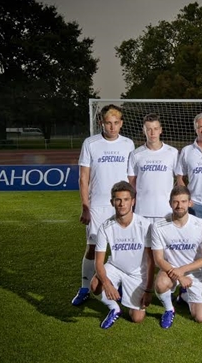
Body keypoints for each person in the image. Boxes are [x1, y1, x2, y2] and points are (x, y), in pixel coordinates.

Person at [72, 104, 135, 306]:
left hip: (122, 206)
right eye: (108, 123)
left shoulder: (128, 144)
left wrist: (132, 204)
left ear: (121, 123)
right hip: (98, 206)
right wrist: (85, 206)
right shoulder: (90, 143)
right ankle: (84, 288)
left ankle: (123, 286)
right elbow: (84, 178)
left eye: (116, 123)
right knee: (92, 247)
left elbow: (131, 178)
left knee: (123, 248)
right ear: (101, 123)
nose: (112, 127)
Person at [90, 181, 154, 329]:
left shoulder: (145, 225)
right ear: (112, 202)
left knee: (137, 318)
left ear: (133, 201)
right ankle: (114, 308)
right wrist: (106, 284)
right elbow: (98, 262)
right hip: (115, 267)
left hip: (138, 272)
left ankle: (122, 291)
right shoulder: (105, 227)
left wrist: (148, 290)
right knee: (95, 284)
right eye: (118, 200)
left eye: (126, 199)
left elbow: (151, 261)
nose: (122, 204)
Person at [151, 186, 202, 329]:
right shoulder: (158, 226)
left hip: (195, 273)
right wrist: (179, 276)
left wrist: (183, 271)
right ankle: (169, 309)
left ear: (190, 203)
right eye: (176, 202)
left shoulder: (201, 225)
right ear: (170, 203)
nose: (179, 205)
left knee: (200, 318)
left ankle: (184, 296)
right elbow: (158, 260)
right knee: (160, 284)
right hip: (170, 271)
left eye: (183, 201)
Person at [128, 113, 178, 224]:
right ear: (143, 130)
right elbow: (131, 183)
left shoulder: (173, 153)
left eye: (155, 129)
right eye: (149, 129)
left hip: (166, 211)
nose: (152, 133)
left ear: (160, 130)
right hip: (142, 210)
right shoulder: (135, 154)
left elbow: (180, 179)